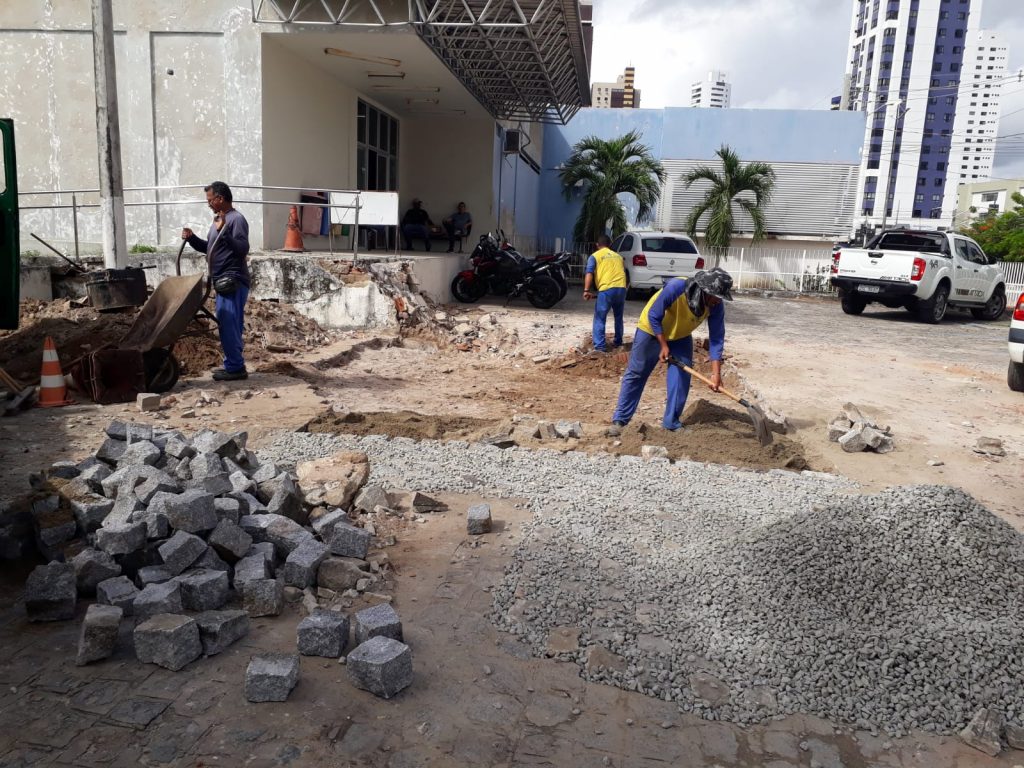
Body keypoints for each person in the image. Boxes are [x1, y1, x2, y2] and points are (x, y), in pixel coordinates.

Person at [609, 268, 733, 435]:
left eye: (721, 297)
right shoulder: (677, 287)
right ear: (706, 290)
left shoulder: (716, 306)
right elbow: (654, 314)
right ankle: (620, 421)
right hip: (652, 330)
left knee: (681, 375)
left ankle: (671, 422)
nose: (718, 301)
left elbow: (717, 338)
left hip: (680, 335)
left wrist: (716, 374)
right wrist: (663, 345)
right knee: (637, 373)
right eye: (716, 296)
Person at [182, 181, 251, 382]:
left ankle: (235, 368)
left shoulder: (236, 219)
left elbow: (242, 249)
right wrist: (192, 239)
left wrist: (225, 231)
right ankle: (234, 365)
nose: (209, 204)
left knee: (229, 324)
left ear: (220, 198)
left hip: (232, 279)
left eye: (210, 200)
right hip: (223, 279)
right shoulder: (220, 220)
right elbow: (211, 248)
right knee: (229, 324)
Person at [583, 234, 627, 352]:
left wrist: (586, 290)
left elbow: (589, 273)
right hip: (621, 288)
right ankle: (618, 342)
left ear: (597, 245)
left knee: (600, 317)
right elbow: (622, 272)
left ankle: (600, 347)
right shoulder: (618, 256)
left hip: (607, 289)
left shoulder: (595, 256)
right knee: (618, 316)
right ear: (610, 245)